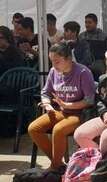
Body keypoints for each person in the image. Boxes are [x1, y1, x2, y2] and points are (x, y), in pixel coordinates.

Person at [28, 43, 95, 172]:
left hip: (79, 114)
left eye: (57, 61)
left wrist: (69, 105)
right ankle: (58, 164)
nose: (53, 65)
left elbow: (89, 100)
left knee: (58, 130)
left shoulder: (82, 72)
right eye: (52, 61)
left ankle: (55, 167)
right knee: (33, 128)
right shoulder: (54, 72)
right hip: (60, 111)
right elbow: (45, 92)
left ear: (69, 59)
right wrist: (47, 104)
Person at [79, 13, 107, 78]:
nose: (87, 25)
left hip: (99, 66)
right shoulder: (81, 36)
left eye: (89, 22)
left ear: (96, 23)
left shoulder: (104, 37)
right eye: (86, 22)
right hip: (84, 65)